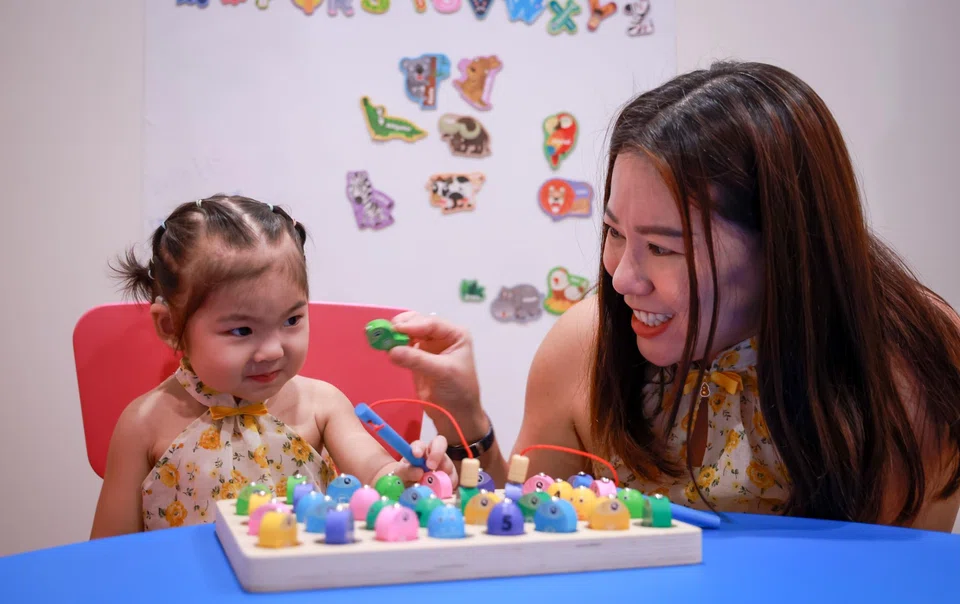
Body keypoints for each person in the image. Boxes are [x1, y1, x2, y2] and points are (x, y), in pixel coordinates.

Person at [386, 61, 960, 532]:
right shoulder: (582, 346)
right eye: (614, 233)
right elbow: (521, 524)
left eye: (663, 248)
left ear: (784, 249)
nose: (621, 279)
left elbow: (897, 585)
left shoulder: (917, 362)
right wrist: (468, 422)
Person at [90, 195, 455, 538]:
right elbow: (109, 552)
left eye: (291, 320)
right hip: (187, 596)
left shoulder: (321, 404)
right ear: (172, 328)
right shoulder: (144, 424)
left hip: (299, 590)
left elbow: (378, 472)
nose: (271, 350)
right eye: (242, 330)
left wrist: (409, 475)